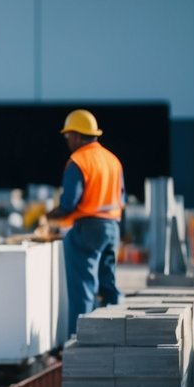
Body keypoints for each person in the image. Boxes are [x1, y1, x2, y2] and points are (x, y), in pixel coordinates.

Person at [46, 109, 124, 336]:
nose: (67, 141)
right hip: (112, 228)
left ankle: (79, 340)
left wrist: (52, 216)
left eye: (68, 136)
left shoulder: (79, 161)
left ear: (78, 136)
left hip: (87, 230)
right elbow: (122, 197)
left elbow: (69, 202)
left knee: (83, 290)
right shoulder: (113, 160)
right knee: (108, 285)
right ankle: (116, 335)